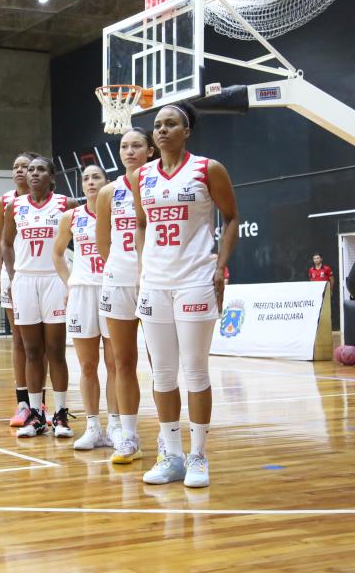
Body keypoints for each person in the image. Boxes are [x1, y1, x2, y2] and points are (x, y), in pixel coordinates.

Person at [130, 102, 239, 488]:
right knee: (162, 373)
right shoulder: (142, 175)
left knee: (194, 371)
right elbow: (141, 224)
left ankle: (198, 456)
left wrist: (219, 266)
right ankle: (171, 455)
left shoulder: (208, 169)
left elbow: (231, 218)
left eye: (170, 124)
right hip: (155, 283)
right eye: (157, 125)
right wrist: (143, 265)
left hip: (195, 278)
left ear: (186, 130)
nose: (161, 130)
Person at [95, 127, 157, 462]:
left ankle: (169, 436)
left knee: (159, 363)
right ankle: (128, 436)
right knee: (122, 361)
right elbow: (103, 241)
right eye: (124, 146)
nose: (129, 151)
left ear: (150, 151)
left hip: (155, 280)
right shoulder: (108, 192)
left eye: (136, 146)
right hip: (118, 279)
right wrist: (119, 266)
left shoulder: (160, 185)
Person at [3, 157, 76, 437]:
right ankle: (36, 415)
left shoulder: (65, 204)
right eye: (30, 169)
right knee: (31, 350)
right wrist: (12, 274)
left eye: (40, 169)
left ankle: (60, 415)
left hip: (54, 280)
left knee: (55, 350)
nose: (33, 173)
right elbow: (6, 243)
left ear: (52, 176)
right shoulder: (15, 206)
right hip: (25, 280)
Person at [53, 165, 119, 449]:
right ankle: (93, 427)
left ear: (107, 183)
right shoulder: (71, 216)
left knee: (116, 364)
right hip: (81, 291)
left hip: (112, 288)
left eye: (97, 178)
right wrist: (70, 283)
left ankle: (117, 425)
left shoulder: (118, 212)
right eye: (86, 178)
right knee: (87, 365)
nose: (91, 182)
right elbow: (57, 254)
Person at [0, 152, 38, 427]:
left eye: (25, 166)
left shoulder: (50, 201)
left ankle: (41, 403)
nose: (20, 170)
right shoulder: (5, 202)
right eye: (15, 166)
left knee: (43, 344)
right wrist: (0, 272)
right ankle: (23, 403)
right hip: (14, 277)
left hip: (43, 277)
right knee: (20, 340)